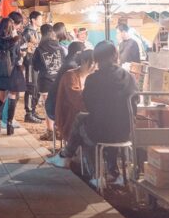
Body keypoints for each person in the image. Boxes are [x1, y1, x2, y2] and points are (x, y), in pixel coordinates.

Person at [54, 42, 138, 183]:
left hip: (101, 132)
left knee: (83, 128)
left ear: (96, 58)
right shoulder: (129, 77)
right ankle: (113, 172)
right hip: (126, 131)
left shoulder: (93, 79)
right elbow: (135, 101)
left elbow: (88, 105)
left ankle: (95, 174)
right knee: (91, 121)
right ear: (116, 56)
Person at [0, 17, 25, 135]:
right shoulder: (15, 40)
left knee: (1, 97)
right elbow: (17, 56)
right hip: (12, 71)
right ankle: (9, 124)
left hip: (0, 71)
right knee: (12, 95)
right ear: (11, 28)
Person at [54, 48, 98, 143]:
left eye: (96, 63)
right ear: (83, 61)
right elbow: (78, 101)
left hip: (83, 113)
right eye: (92, 63)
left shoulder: (93, 77)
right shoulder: (70, 76)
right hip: (69, 117)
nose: (95, 66)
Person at [31, 24, 63, 131]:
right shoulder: (60, 48)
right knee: (57, 105)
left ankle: (50, 130)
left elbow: (35, 67)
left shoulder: (39, 49)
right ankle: (58, 128)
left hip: (44, 80)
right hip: (57, 80)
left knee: (47, 106)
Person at [45, 41, 85, 125]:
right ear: (78, 53)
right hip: (56, 107)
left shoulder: (67, 61)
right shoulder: (71, 67)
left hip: (53, 103)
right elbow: (73, 96)